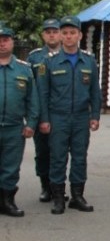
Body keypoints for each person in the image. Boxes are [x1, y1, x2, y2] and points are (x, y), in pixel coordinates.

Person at [37, 15, 101, 214]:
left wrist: (95, 115)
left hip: (81, 117)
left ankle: (77, 196)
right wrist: (45, 119)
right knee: (57, 158)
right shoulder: (50, 63)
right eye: (64, 33)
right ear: (61, 36)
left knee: (80, 157)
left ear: (80, 35)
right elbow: (43, 94)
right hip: (58, 117)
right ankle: (58, 198)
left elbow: (94, 92)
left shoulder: (88, 62)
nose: (68, 36)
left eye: (72, 32)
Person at [0, 24, 39, 217]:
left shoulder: (24, 70)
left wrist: (31, 123)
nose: (2, 44)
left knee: (10, 167)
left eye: (5, 39)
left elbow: (33, 99)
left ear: (12, 42)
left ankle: (7, 202)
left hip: (14, 128)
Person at [26, 18, 62, 202]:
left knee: (60, 153)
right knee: (42, 153)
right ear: (43, 35)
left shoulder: (67, 55)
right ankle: (45, 186)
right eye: (48, 32)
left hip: (61, 114)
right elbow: (28, 88)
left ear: (60, 33)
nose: (51, 35)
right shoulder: (34, 57)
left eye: (54, 31)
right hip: (40, 114)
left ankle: (58, 187)